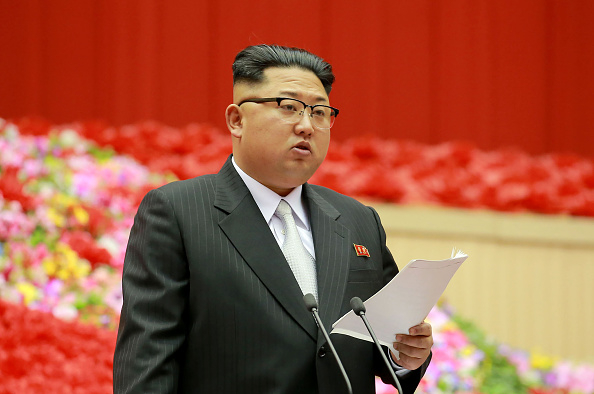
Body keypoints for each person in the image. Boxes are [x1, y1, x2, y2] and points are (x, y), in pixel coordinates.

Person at [113, 44, 433, 394]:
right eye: (289, 107)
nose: (307, 126)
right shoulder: (178, 212)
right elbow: (148, 363)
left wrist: (406, 356)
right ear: (237, 120)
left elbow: (381, 345)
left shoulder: (358, 220)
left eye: (320, 112)